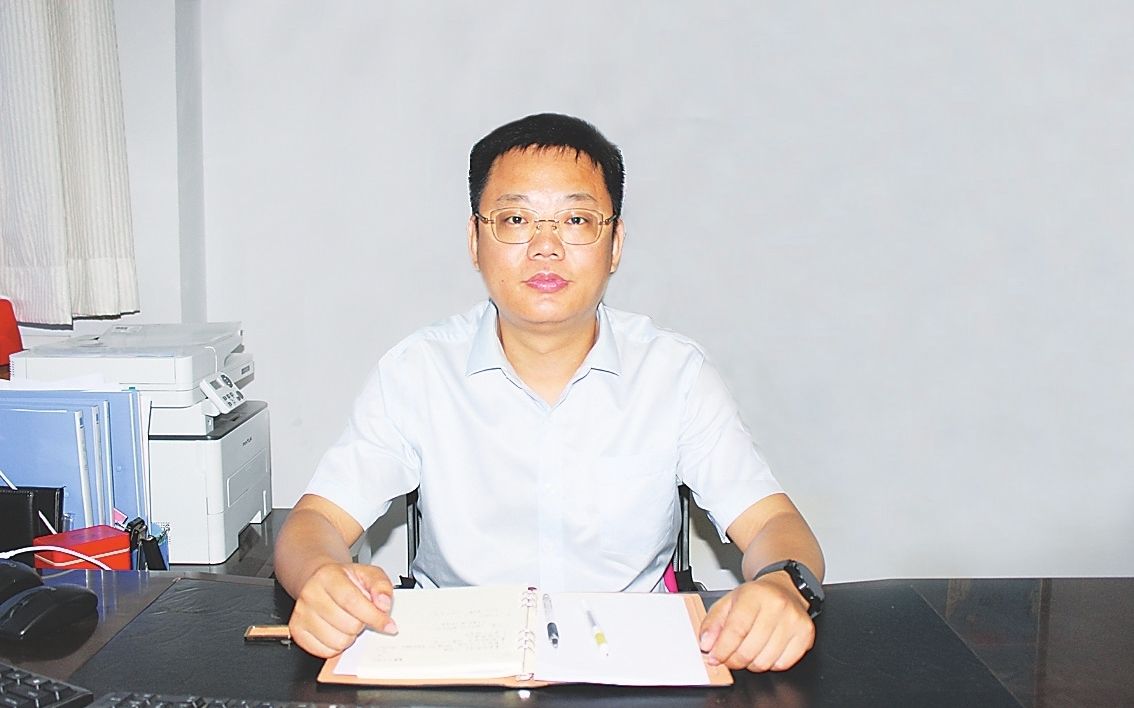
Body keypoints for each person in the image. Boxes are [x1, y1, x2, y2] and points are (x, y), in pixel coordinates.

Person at [274, 113, 825, 673]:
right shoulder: (417, 372)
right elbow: (313, 524)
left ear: (615, 244)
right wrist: (322, 577)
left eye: (576, 220)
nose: (545, 247)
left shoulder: (674, 373)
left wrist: (783, 585)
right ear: (475, 240)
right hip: (456, 666)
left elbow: (774, 525)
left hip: (630, 664)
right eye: (515, 219)